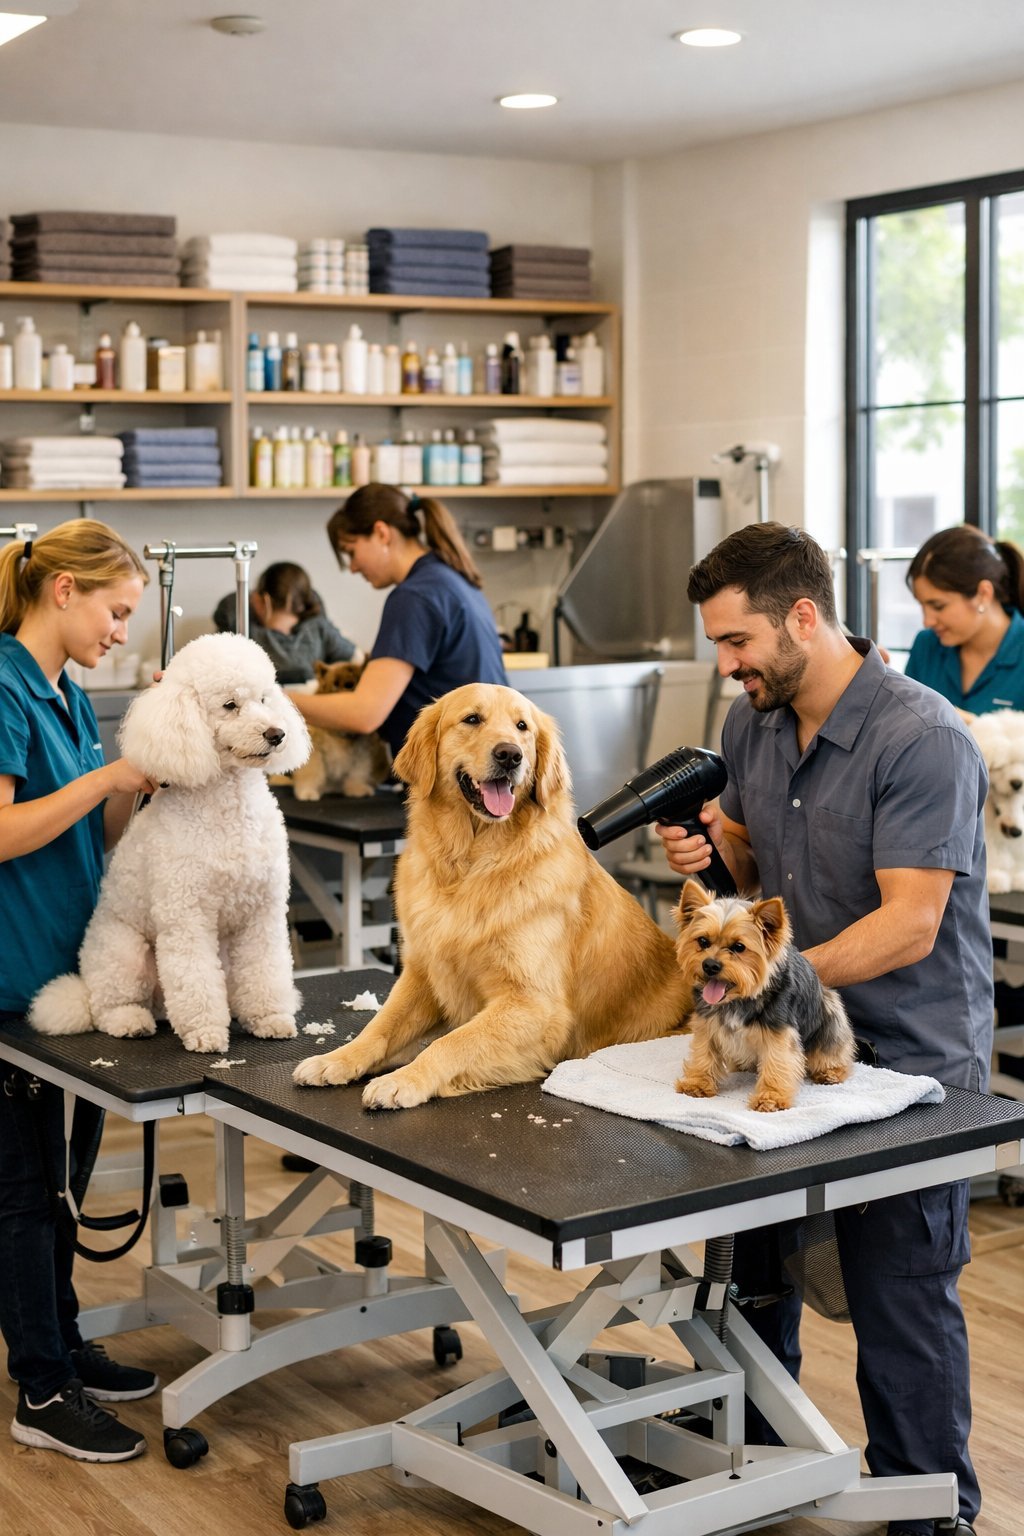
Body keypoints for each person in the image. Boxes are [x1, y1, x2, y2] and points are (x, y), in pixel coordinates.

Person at [656, 521, 989, 1536]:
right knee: (753, 1280)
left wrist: (765, 984)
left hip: (908, 1060)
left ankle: (931, 1513)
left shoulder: (922, 738)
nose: (728, 663)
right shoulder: (750, 723)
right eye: (719, 644)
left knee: (899, 1300)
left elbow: (909, 923)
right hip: (773, 1056)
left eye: (738, 640)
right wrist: (711, 860)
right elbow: (755, 874)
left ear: (803, 617)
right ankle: (756, 1476)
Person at [0, 519, 161, 1462]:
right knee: (23, 1194)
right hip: (13, 981)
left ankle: (61, 1341)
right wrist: (106, 776)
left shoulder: (67, 693)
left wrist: (139, 785)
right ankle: (42, 1388)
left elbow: (87, 841)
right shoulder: (3, 685)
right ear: (63, 590)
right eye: (116, 611)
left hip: (77, 976)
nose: (121, 633)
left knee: (64, 1185)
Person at [287, 484, 508, 757]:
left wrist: (279, 700)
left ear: (382, 533)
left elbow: (363, 714)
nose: (353, 567)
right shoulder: (450, 578)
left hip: (457, 769)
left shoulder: (414, 596)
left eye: (351, 551)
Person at [904, 523, 1024, 714]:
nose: (927, 622)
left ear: (983, 594)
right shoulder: (925, 646)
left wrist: (976, 726)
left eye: (938, 606)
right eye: (922, 605)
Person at [213, 559, 362, 685]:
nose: (251, 598)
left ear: (265, 600)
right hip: (315, 705)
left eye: (255, 594)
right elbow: (358, 659)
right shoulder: (320, 628)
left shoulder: (246, 635)